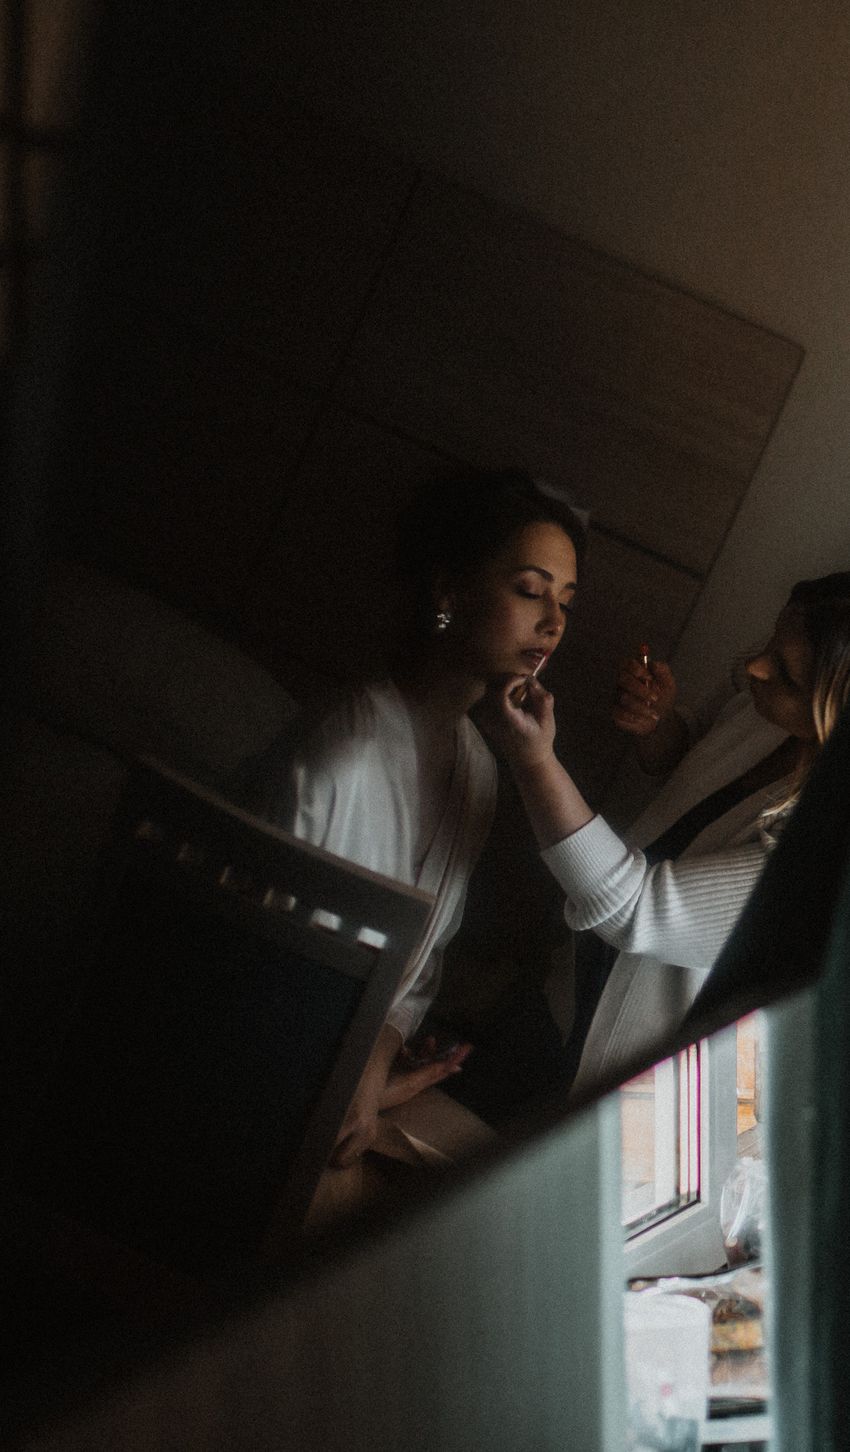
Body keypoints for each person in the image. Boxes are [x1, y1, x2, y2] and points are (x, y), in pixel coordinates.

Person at [270, 468, 587, 1172]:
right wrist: (356, 1084)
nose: (554, 622)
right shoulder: (342, 760)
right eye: (530, 591)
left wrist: (376, 1062)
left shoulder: (476, 763)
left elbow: (411, 979)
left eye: (565, 601)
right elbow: (269, 982)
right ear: (447, 591)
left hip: (342, 1077)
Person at [508, 570, 850, 1085]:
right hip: (566, 989)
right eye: (770, 643)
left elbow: (635, 910)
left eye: (785, 673)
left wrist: (533, 760)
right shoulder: (762, 710)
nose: (754, 667)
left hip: (630, 1076)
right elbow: (687, 774)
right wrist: (660, 726)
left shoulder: (831, 851)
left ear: (845, 715)